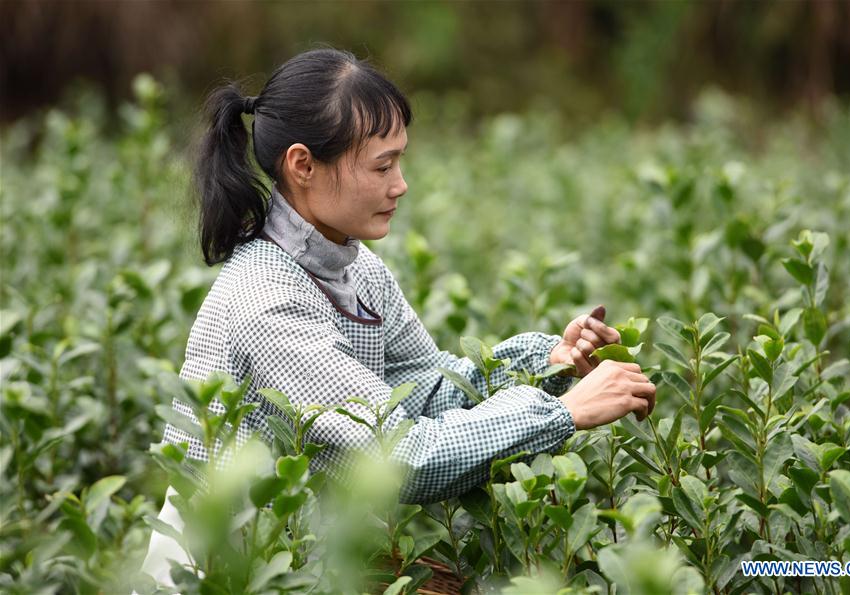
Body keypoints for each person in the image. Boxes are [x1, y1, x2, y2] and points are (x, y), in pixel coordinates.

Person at [142, 47, 655, 586]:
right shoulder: (266, 302)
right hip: (224, 571)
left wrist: (547, 364)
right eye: (382, 165)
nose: (400, 184)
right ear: (302, 165)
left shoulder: (355, 267)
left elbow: (426, 389)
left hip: (300, 562)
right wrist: (565, 413)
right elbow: (400, 457)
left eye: (399, 161)